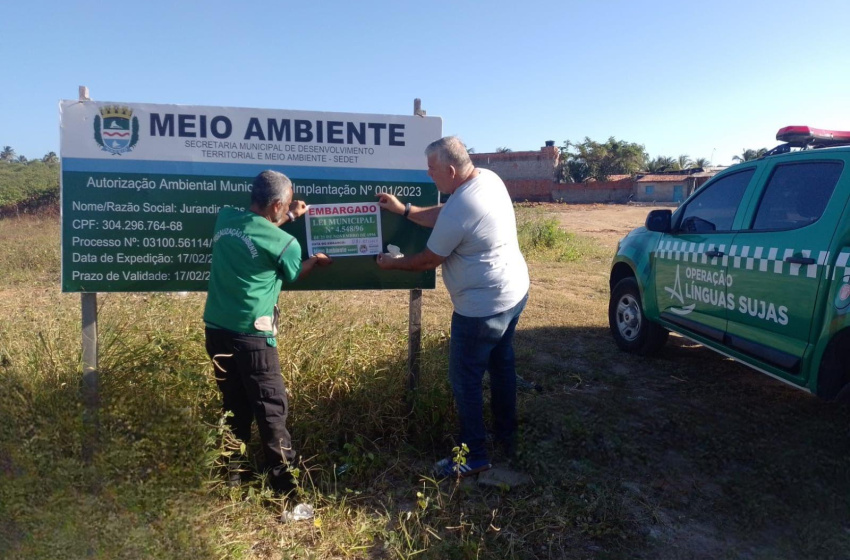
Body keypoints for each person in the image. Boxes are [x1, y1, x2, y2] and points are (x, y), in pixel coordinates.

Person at [376, 136, 529, 478]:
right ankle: (507, 436)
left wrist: (392, 263)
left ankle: (473, 455)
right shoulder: (487, 179)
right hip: (513, 293)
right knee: (502, 366)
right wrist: (405, 211)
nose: (429, 176)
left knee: (465, 380)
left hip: (481, 308)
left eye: (432, 170)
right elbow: (448, 214)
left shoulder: (464, 205)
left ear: (449, 169)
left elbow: (428, 259)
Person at [203, 170, 332, 495]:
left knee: (234, 406)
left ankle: (231, 478)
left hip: (216, 331)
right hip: (253, 339)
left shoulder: (225, 219)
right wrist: (313, 261)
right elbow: (291, 273)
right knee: (271, 410)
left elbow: (258, 231)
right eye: (286, 205)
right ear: (276, 204)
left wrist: (289, 215)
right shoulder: (287, 244)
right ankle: (287, 490)